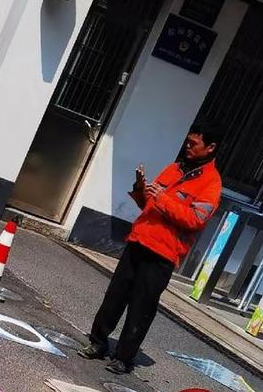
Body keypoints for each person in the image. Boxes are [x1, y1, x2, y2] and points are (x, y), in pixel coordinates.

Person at [79, 126, 223, 373]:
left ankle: (124, 358)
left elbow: (195, 220)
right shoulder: (174, 168)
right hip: (139, 239)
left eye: (194, 144)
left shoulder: (211, 184)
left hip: (163, 253)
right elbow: (149, 204)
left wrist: (163, 198)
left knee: (141, 307)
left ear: (210, 148)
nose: (188, 147)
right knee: (115, 296)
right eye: (187, 142)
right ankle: (98, 342)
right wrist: (140, 189)